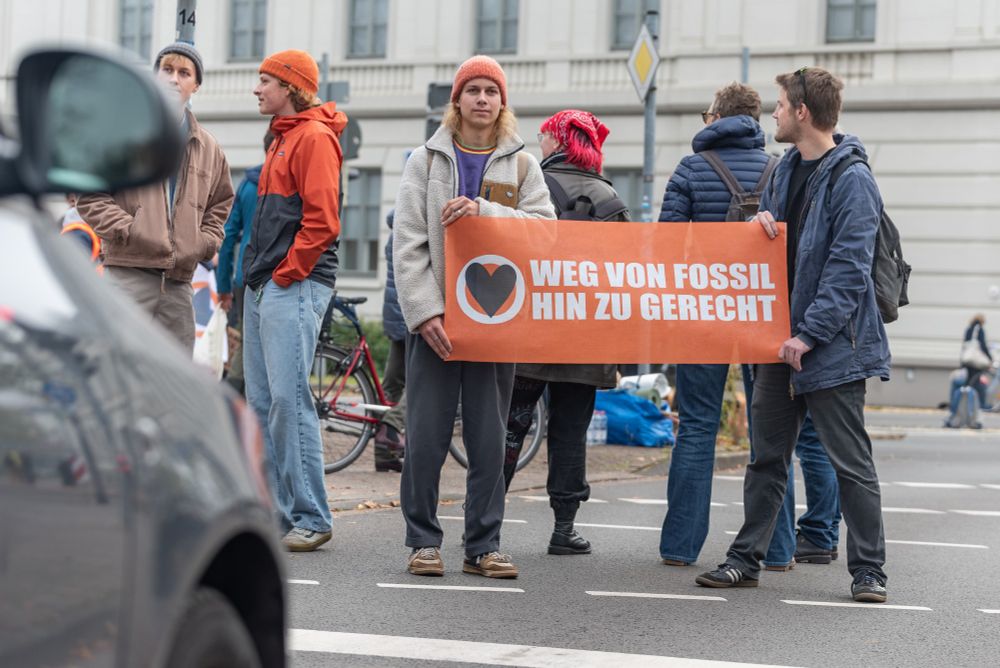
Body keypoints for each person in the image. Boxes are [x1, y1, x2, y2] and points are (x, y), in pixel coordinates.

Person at [696, 67, 891, 604]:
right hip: (778, 341)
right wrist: (762, 223)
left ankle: (869, 571)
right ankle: (745, 560)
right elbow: (785, 244)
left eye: (781, 105)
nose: (774, 113)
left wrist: (807, 335)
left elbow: (848, 268)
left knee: (850, 463)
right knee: (766, 458)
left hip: (831, 347)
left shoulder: (852, 178)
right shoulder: (784, 171)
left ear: (802, 112)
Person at [656, 82, 839, 572]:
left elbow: (667, 249)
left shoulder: (692, 169)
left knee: (696, 426)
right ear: (755, 119)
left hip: (702, 316)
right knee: (770, 438)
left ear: (715, 117)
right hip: (767, 316)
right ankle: (777, 550)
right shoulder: (780, 169)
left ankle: (680, 546)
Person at [393, 55, 555, 578]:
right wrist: (423, 313)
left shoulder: (522, 165)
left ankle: (483, 546)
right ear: (457, 100)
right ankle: (422, 541)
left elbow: (544, 231)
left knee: (489, 440)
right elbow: (408, 243)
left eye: (491, 91)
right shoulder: (425, 160)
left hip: (495, 324)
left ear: (502, 102)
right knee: (425, 437)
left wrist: (487, 211)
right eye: (473, 90)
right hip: (437, 325)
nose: (482, 99)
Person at [502, 109, 628, 556]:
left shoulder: (534, 185)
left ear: (557, 141)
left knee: (512, 425)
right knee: (570, 433)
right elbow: (624, 279)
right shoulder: (611, 199)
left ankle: (487, 524)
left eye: (543, 138)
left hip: (531, 334)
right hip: (586, 341)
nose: (539, 145)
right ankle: (564, 529)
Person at [242, 50, 346, 552]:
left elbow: (322, 221)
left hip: (291, 284)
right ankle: (281, 516)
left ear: (290, 86)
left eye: (264, 80)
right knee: (263, 403)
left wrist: (287, 273)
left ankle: (311, 515)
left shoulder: (312, 138)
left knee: (288, 400)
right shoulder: (282, 138)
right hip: (267, 285)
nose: (256, 89)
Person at [78, 42, 233, 350]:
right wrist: (128, 228)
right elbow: (89, 194)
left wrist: (203, 242)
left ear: (196, 85)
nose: (174, 79)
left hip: (179, 286)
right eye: (167, 70)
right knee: (116, 371)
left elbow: (221, 203)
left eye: (184, 73)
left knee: (173, 385)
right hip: (127, 275)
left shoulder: (210, 148)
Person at [217, 132, 274, 395]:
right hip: (274, 277)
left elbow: (228, 235)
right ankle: (230, 405)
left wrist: (224, 286)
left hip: (243, 276)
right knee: (259, 349)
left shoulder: (248, 184)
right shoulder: (284, 182)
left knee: (249, 343)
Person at [374, 209, 406, 472]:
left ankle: (382, 453)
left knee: (393, 383)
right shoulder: (412, 229)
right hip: (412, 314)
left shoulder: (395, 232)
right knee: (422, 381)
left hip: (394, 315)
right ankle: (393, 427)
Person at [960, 314, 992, 409]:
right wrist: (989, 358)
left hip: (967, 360)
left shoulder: (968, 329)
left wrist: (961, 362)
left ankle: (966, 404)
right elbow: (982, 345)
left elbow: (964, 346)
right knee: (979, 383)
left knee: (968, 383)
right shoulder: (979, 330)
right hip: (975, 362)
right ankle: (981, 404)